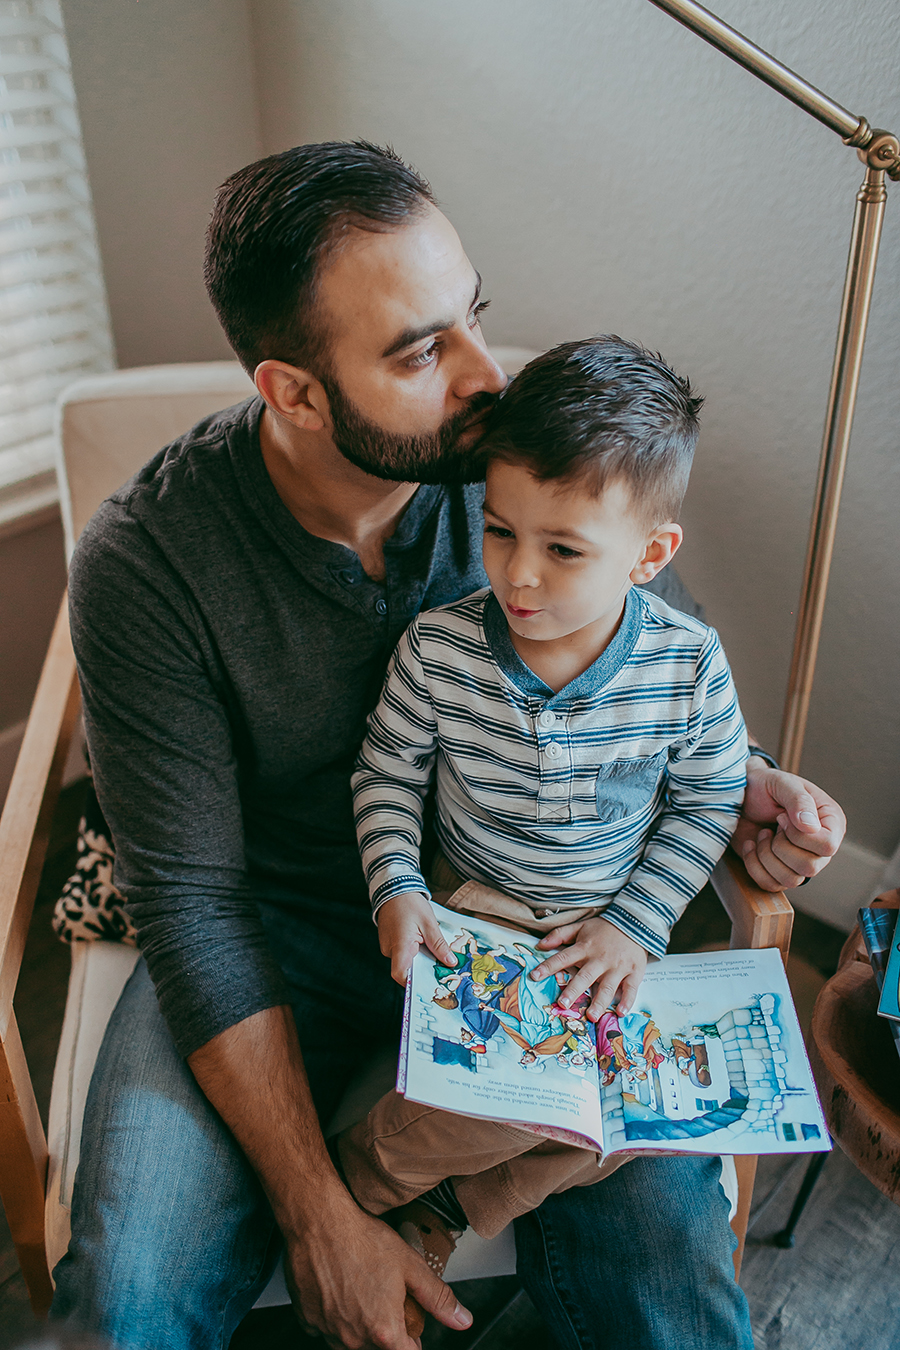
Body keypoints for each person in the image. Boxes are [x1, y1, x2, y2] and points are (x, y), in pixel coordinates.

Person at [49, 142, 844, 1350]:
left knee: (673, 1300)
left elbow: (655, 661)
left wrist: (751, 785)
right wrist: (320, 1215)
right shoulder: (148, 564)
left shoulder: (518, 465)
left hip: (542, 927)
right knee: (126, 1307)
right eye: (422, 352)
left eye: (475, 313)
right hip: (269, 934)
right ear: (296, 392)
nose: (487, 377)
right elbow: (195, 905)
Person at [335, 336, 749, 1259]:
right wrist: (396, 886)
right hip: (477, 906)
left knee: (628, 1113)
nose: (518, 574)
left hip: (608, 922)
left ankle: (447, 1211)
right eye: (500, 531)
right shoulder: (439, 650)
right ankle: (356, 1182)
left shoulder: (687, 665)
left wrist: (637, 923)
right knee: (517, 1089)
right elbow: (387, 773)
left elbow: (709, 798)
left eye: (562, 549)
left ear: (650, 554)